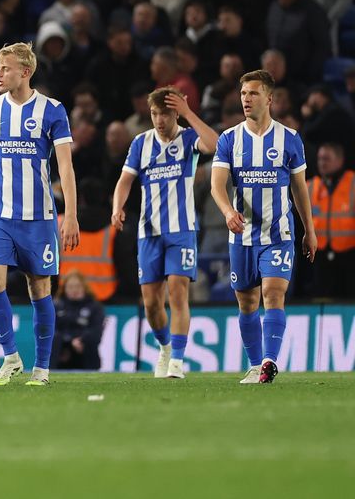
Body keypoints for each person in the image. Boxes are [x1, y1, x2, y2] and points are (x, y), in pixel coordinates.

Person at [0, 42, 81, 386]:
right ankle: (11, 357)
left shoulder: (52, 110)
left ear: (25, 72)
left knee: (39, 288)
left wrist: (69, 214)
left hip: (39, 217)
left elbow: (66, 168)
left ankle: (41, 368)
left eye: (5, 69)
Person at [210, 70, 317, 384]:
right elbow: (217, 185)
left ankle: (269, 361)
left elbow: (300, 188)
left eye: (253, 93)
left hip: (278, 234)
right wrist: (228, 211)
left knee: (273, 293)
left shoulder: (290, 139)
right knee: (246, 301)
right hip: (241, 236)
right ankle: (256, 364)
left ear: (269, 99)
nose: (246, 99)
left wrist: (309, 229)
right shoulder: (229, 139)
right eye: (243, 94)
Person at [111, 86, 218, 379]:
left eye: (166, 113)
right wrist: (117, 207)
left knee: (177, 293)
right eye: (155, 113)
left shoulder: (188, 138)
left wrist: (188, 113)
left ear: (175, 113)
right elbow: (124, 181)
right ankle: (165, 347)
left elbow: (216, 145)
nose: (159, 119)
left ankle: (177, 362)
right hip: (149, 233)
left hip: (182, 230)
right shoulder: (141, 143)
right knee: (151, 303)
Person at [309, 143, 355, 299]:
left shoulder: (353, 184)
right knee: (320, 298)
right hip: (318, 255)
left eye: (327, 159)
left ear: (340, 161)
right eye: (320, 159)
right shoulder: (310, 186)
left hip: (349, 255)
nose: (322, 163)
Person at [52, 270, 104, 370]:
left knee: (90, 341)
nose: (74, 290)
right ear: (64, 289)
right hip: (62, 351)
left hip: (84, 351)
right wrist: (68, 342)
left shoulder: (94, 306)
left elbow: (97, 330)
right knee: (54, 339)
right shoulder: (57, 305)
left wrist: (81, 340)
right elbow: (51, 329)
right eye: (70, 287)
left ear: (84, 288)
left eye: (78, 286)